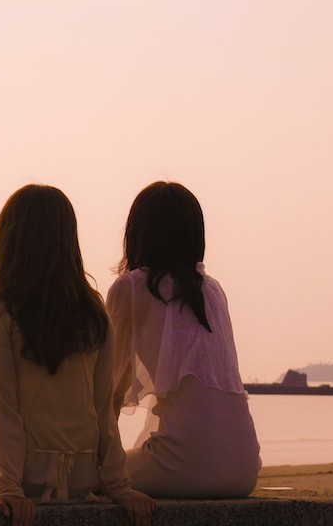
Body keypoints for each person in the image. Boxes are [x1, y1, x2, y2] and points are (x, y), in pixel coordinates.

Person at [0, 185, 154, 526]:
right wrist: (119, 486)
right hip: (79, 479)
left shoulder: (0, 308)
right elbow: (103, 409)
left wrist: (10, 487)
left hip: (16, 479)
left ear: (8, 240)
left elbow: (5, 410)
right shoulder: (94, 313)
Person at [107, 181, 261, 498]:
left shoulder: (132, 287)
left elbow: (109, 386)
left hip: (182, 465)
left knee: (95, 476)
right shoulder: (213, 290)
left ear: (137, 233)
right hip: (245, 468)